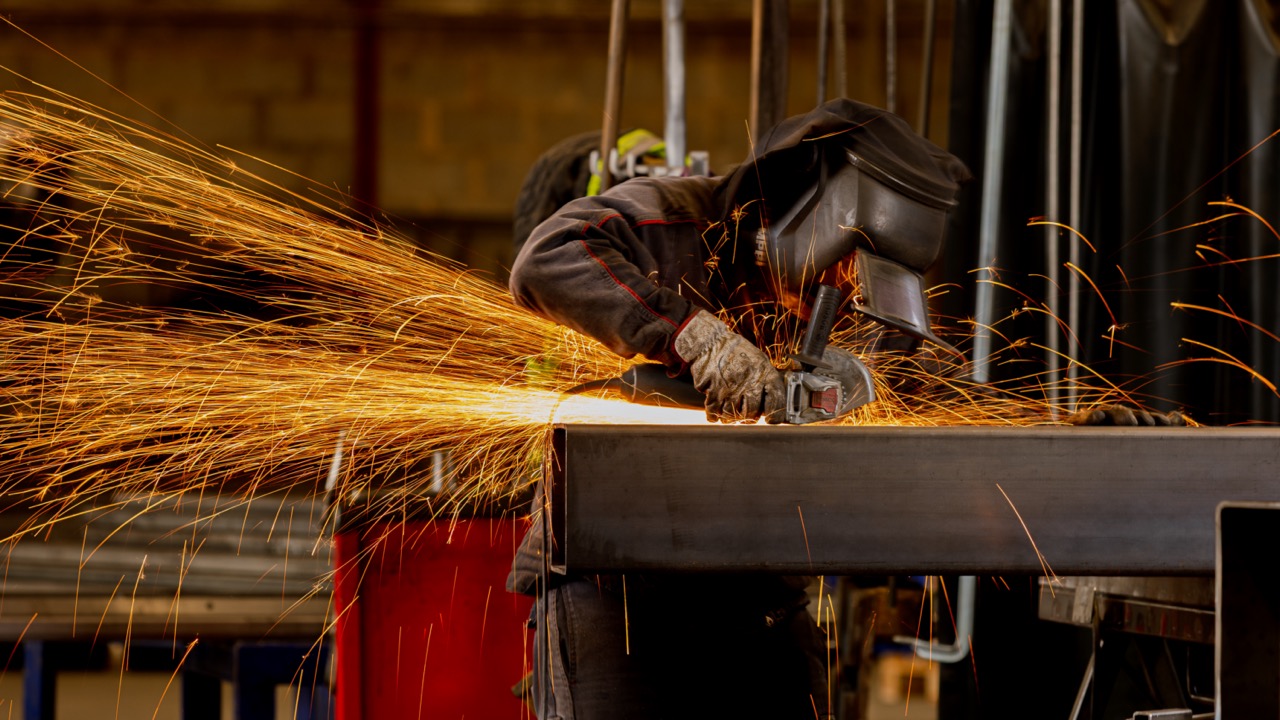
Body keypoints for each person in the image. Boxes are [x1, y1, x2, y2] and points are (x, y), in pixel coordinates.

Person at [506, 98, 969, 719]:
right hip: (614, 590)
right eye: (839, 275)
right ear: (800, 221)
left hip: (761, 598)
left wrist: (1064, 426)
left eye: (865, 283)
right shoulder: (675, 219)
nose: (847, 297)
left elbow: (943, 399)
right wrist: (688, 334)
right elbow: (547, 257)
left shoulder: (864, 304)